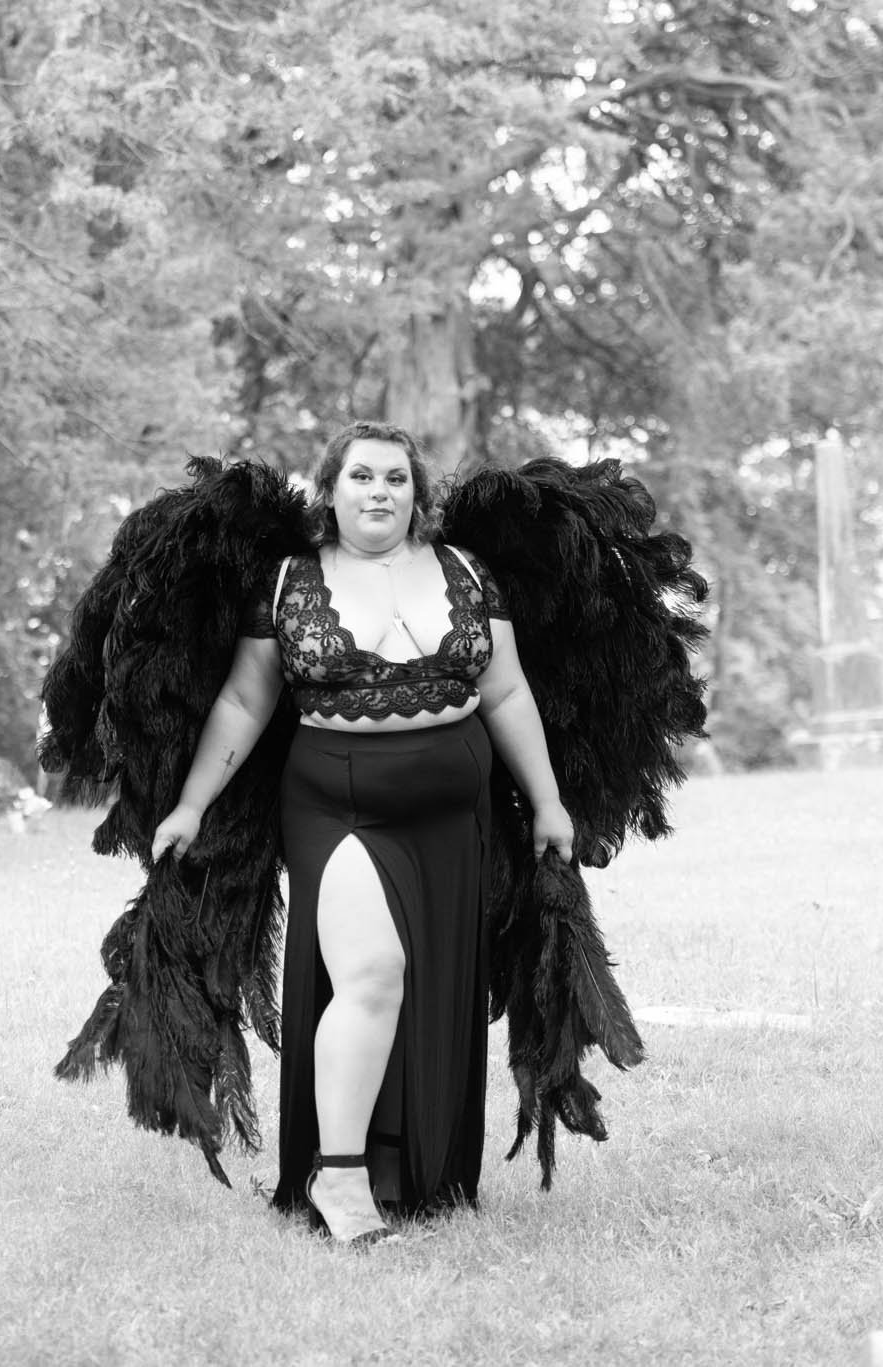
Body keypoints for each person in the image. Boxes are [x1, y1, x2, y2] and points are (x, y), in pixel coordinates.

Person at [147, 420, 576, 1245]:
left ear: (418, 494)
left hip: (453, 817)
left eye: (395, 478)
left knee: (428, 989)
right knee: (373, 972)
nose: (378, 492)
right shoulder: (290, 583)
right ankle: (338, 1174)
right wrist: (192, 804)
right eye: (361, 477)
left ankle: (412, 1168)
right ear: (329, 490)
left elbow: (509, 692)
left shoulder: (466, 574)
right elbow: (244, 701)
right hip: (338, 806)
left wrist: (548, 802)